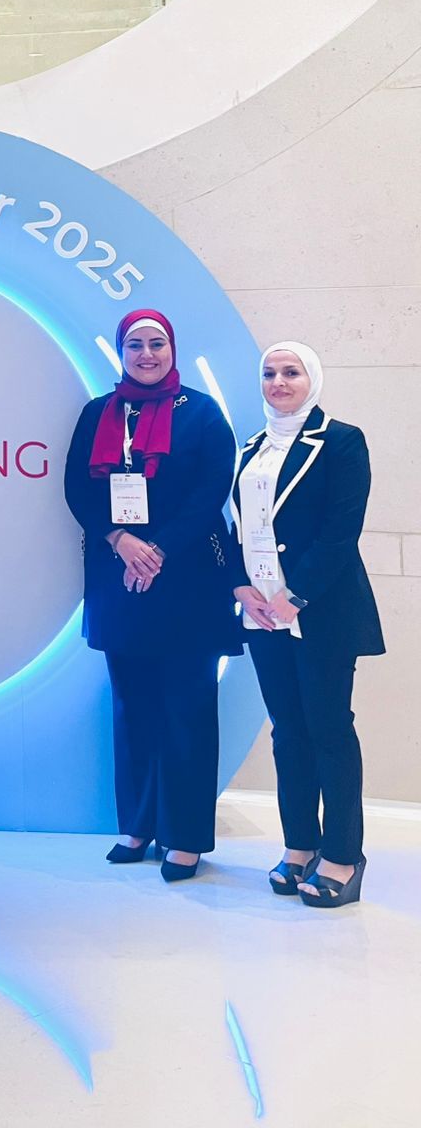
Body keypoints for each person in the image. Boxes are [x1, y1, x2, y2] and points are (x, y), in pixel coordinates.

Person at [64, 309, 239, 882]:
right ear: (121, 352)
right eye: (135, 344)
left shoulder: (202, 413)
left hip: (188, 581)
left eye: (156, 343)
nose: (146, 354)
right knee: (132, 705)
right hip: (120, 579)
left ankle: (184, 836)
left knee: (187, 709)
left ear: (172, 348)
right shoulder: (99, 413)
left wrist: (156, 549)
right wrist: (120, 540)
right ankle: (137, 826)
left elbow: (212, 492)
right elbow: (76, 488)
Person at [232, 342, 384, 908]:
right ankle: (300, 844)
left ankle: (343, 855)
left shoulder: (342, 441)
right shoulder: (251, 448)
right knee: (288, 732)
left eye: (291, 372)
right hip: (263, 615)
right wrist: (240, 588)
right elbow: (235, 527)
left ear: (311, 379)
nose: (278, 381)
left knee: (328, 730)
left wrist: (295, 596)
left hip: (320, 611)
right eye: (269, 373)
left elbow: (341, 532)